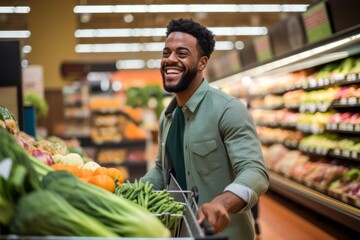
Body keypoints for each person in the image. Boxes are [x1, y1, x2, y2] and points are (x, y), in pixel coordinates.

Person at [141, 18, 269, 240]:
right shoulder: (167, 116)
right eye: (166, 53)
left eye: (181, 54)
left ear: (202, 63)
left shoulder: (228, 109)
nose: (170, 60)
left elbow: (255, 172)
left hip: (222, 234)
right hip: (180, 231)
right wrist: (129, 193)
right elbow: (161, 170)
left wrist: (221, 203)